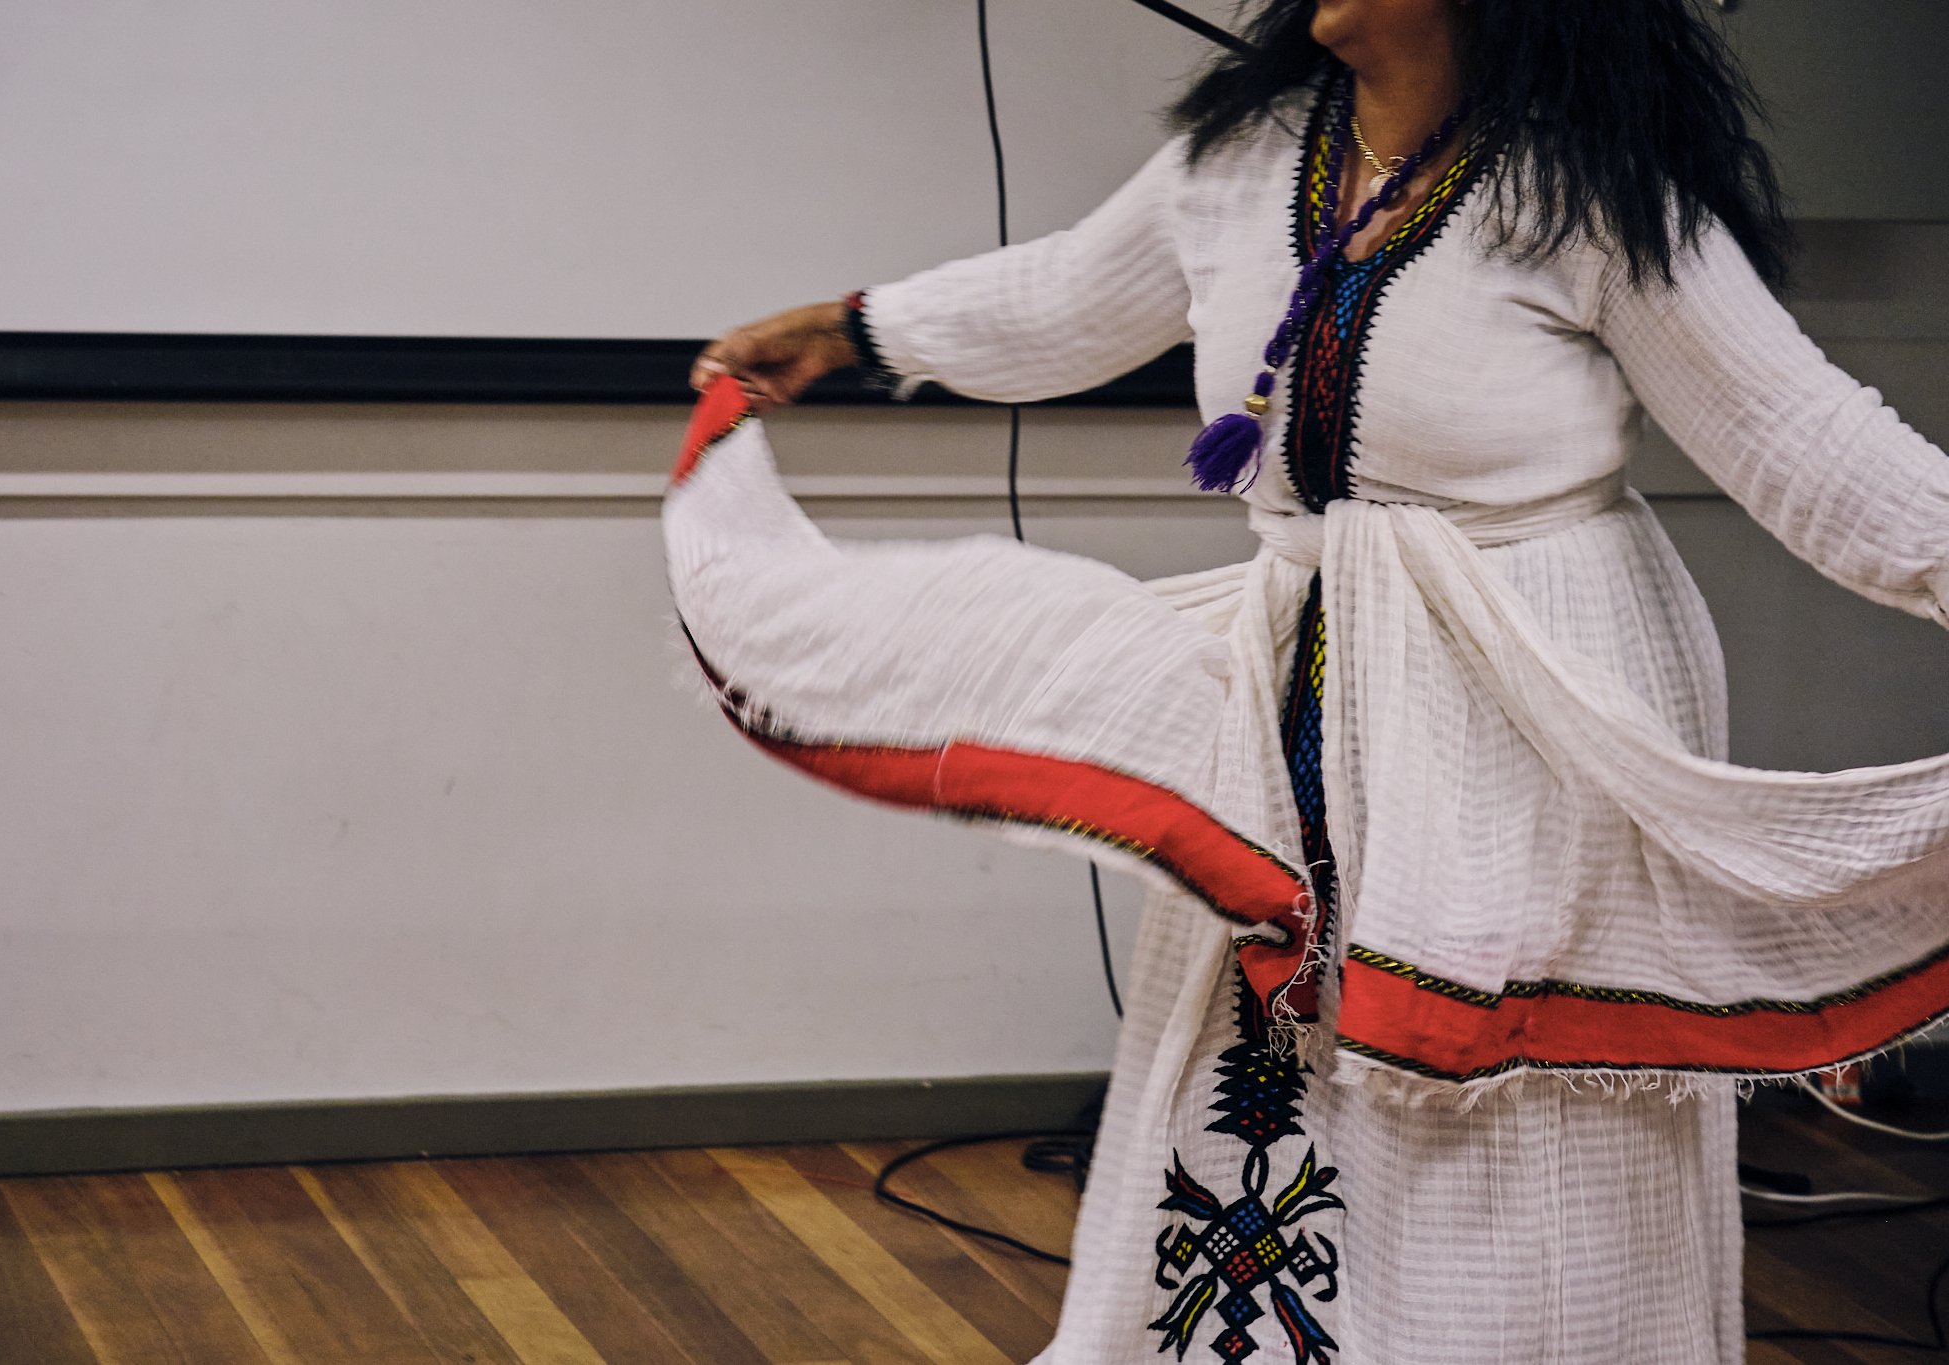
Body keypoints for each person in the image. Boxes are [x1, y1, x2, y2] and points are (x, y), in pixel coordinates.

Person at [669, 0, 1949, 1360]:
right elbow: (1061, 299)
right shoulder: (1244, 159)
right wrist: (862, 332)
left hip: (1535, 701)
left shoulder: (1588, 190)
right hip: (1311, 686)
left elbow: (1812, 449)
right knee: (1270, 1074)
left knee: (1505, 1095)